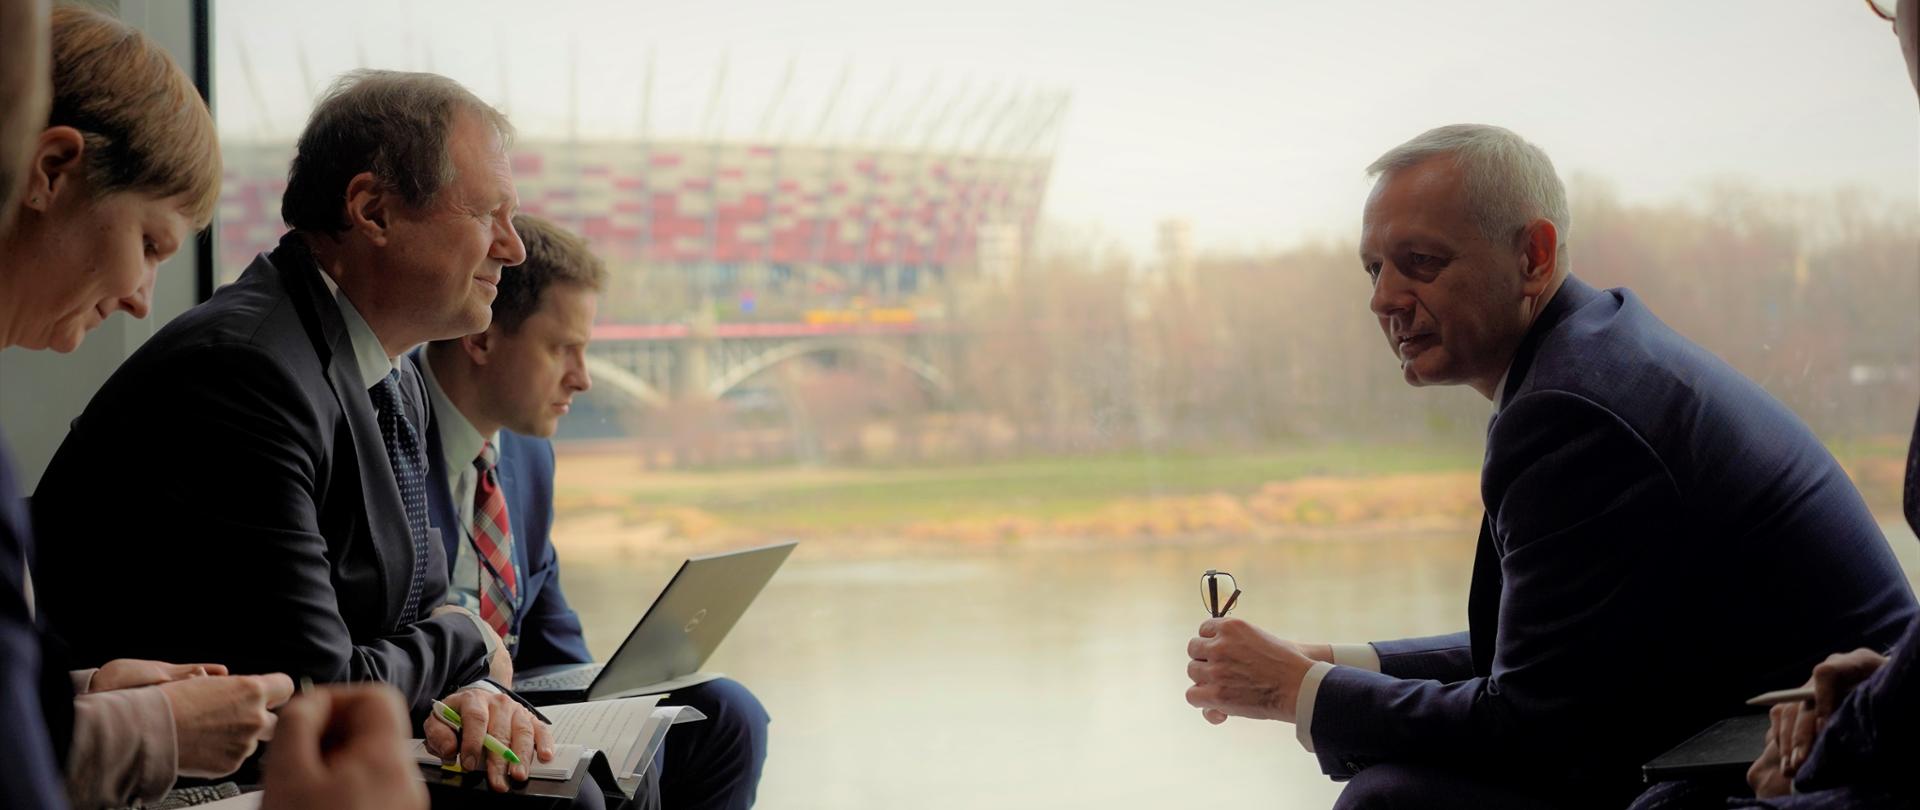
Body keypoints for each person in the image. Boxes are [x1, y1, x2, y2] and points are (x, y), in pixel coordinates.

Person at [1182, 123, 1918, 809]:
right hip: (1743, 724)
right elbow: (1550, 655)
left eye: (1421, 264)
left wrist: (1297, 691)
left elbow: (1531, 724)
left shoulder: (1571, 411)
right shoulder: (1593, 351)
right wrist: (1333, 663)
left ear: (1533, 255)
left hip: (1830, 757)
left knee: (1394, 800)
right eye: (1374, 268)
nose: (1383, 300)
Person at [27, 67, 561, 798]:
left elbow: (425, 603)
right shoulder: (247, 370)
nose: (513, 247)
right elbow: (324, 688)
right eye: (487, 215)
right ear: (371, 210)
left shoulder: (386, 363)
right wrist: (470, 643)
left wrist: (468, 682)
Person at [1, 8, 426, 809]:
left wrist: (89, 685)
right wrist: (153, 729)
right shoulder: (250, 364)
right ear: (52, 170)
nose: (138, 299)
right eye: (151, 245)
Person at [1633, 3, 1920, 807]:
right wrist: (1887, 683)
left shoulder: (1581, 401)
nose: (1384, 299)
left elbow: (1535, 697)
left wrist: (1838, 750)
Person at [417, 213, 772, 809]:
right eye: (563, 350)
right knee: (589, 780)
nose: (582, 379)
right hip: (439, 715)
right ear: (480, 338)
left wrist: (614, 701)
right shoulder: (388, 441)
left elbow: (549, 623)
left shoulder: (528, 453)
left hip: (520, 697)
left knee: (727, 713)